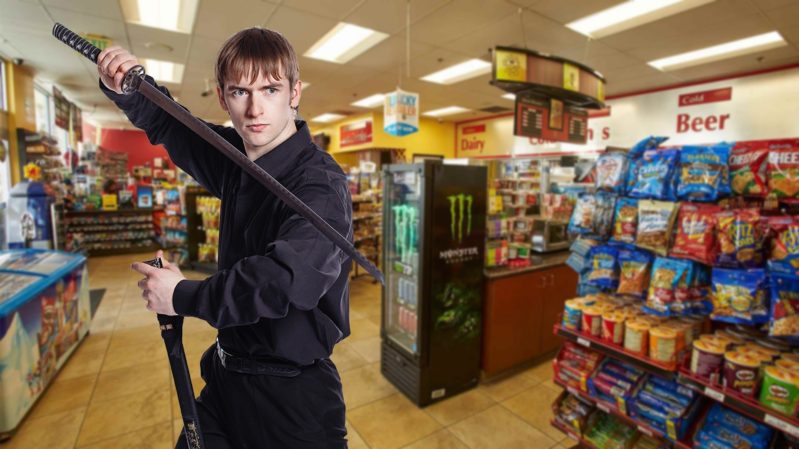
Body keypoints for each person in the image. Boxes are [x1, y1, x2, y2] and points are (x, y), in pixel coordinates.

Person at [98, 28, 353, 448]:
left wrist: (182, 296)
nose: (255, 108)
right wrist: (128, 84)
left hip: (292, 402)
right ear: (222, 97)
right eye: (240, 92)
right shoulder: (239, 159)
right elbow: (172, 123)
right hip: (226, 379)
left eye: (270, 89)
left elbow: (285, 279)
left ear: (294, 92)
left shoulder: (320, 186)